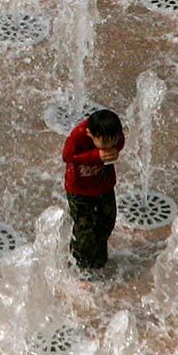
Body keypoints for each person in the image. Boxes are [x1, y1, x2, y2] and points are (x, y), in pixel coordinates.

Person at [62, 108, 125, 274]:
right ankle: (79, 267)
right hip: (79, 189)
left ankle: (98, 261)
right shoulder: (79, 135)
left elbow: (120, 141)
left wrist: (116, 149)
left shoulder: (112, 133)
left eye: (113, 142)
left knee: (107, 221)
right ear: (91, 134)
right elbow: (67, 156)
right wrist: (96, 156)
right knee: (85, 229)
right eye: (105, 144)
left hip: (103, 184)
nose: (110, 147)